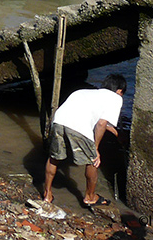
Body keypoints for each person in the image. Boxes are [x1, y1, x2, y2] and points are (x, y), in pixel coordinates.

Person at [42, 74, 127, 207]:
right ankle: (90, 197)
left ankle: (47, 195)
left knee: (54, 157)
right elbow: (101, 124)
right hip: (78, 127)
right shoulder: (116, 98)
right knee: (93, 161)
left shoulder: (82, 92)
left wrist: (117, 134)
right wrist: (96, 148)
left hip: (58, 121)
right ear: (119, 91)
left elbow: (96, 119)